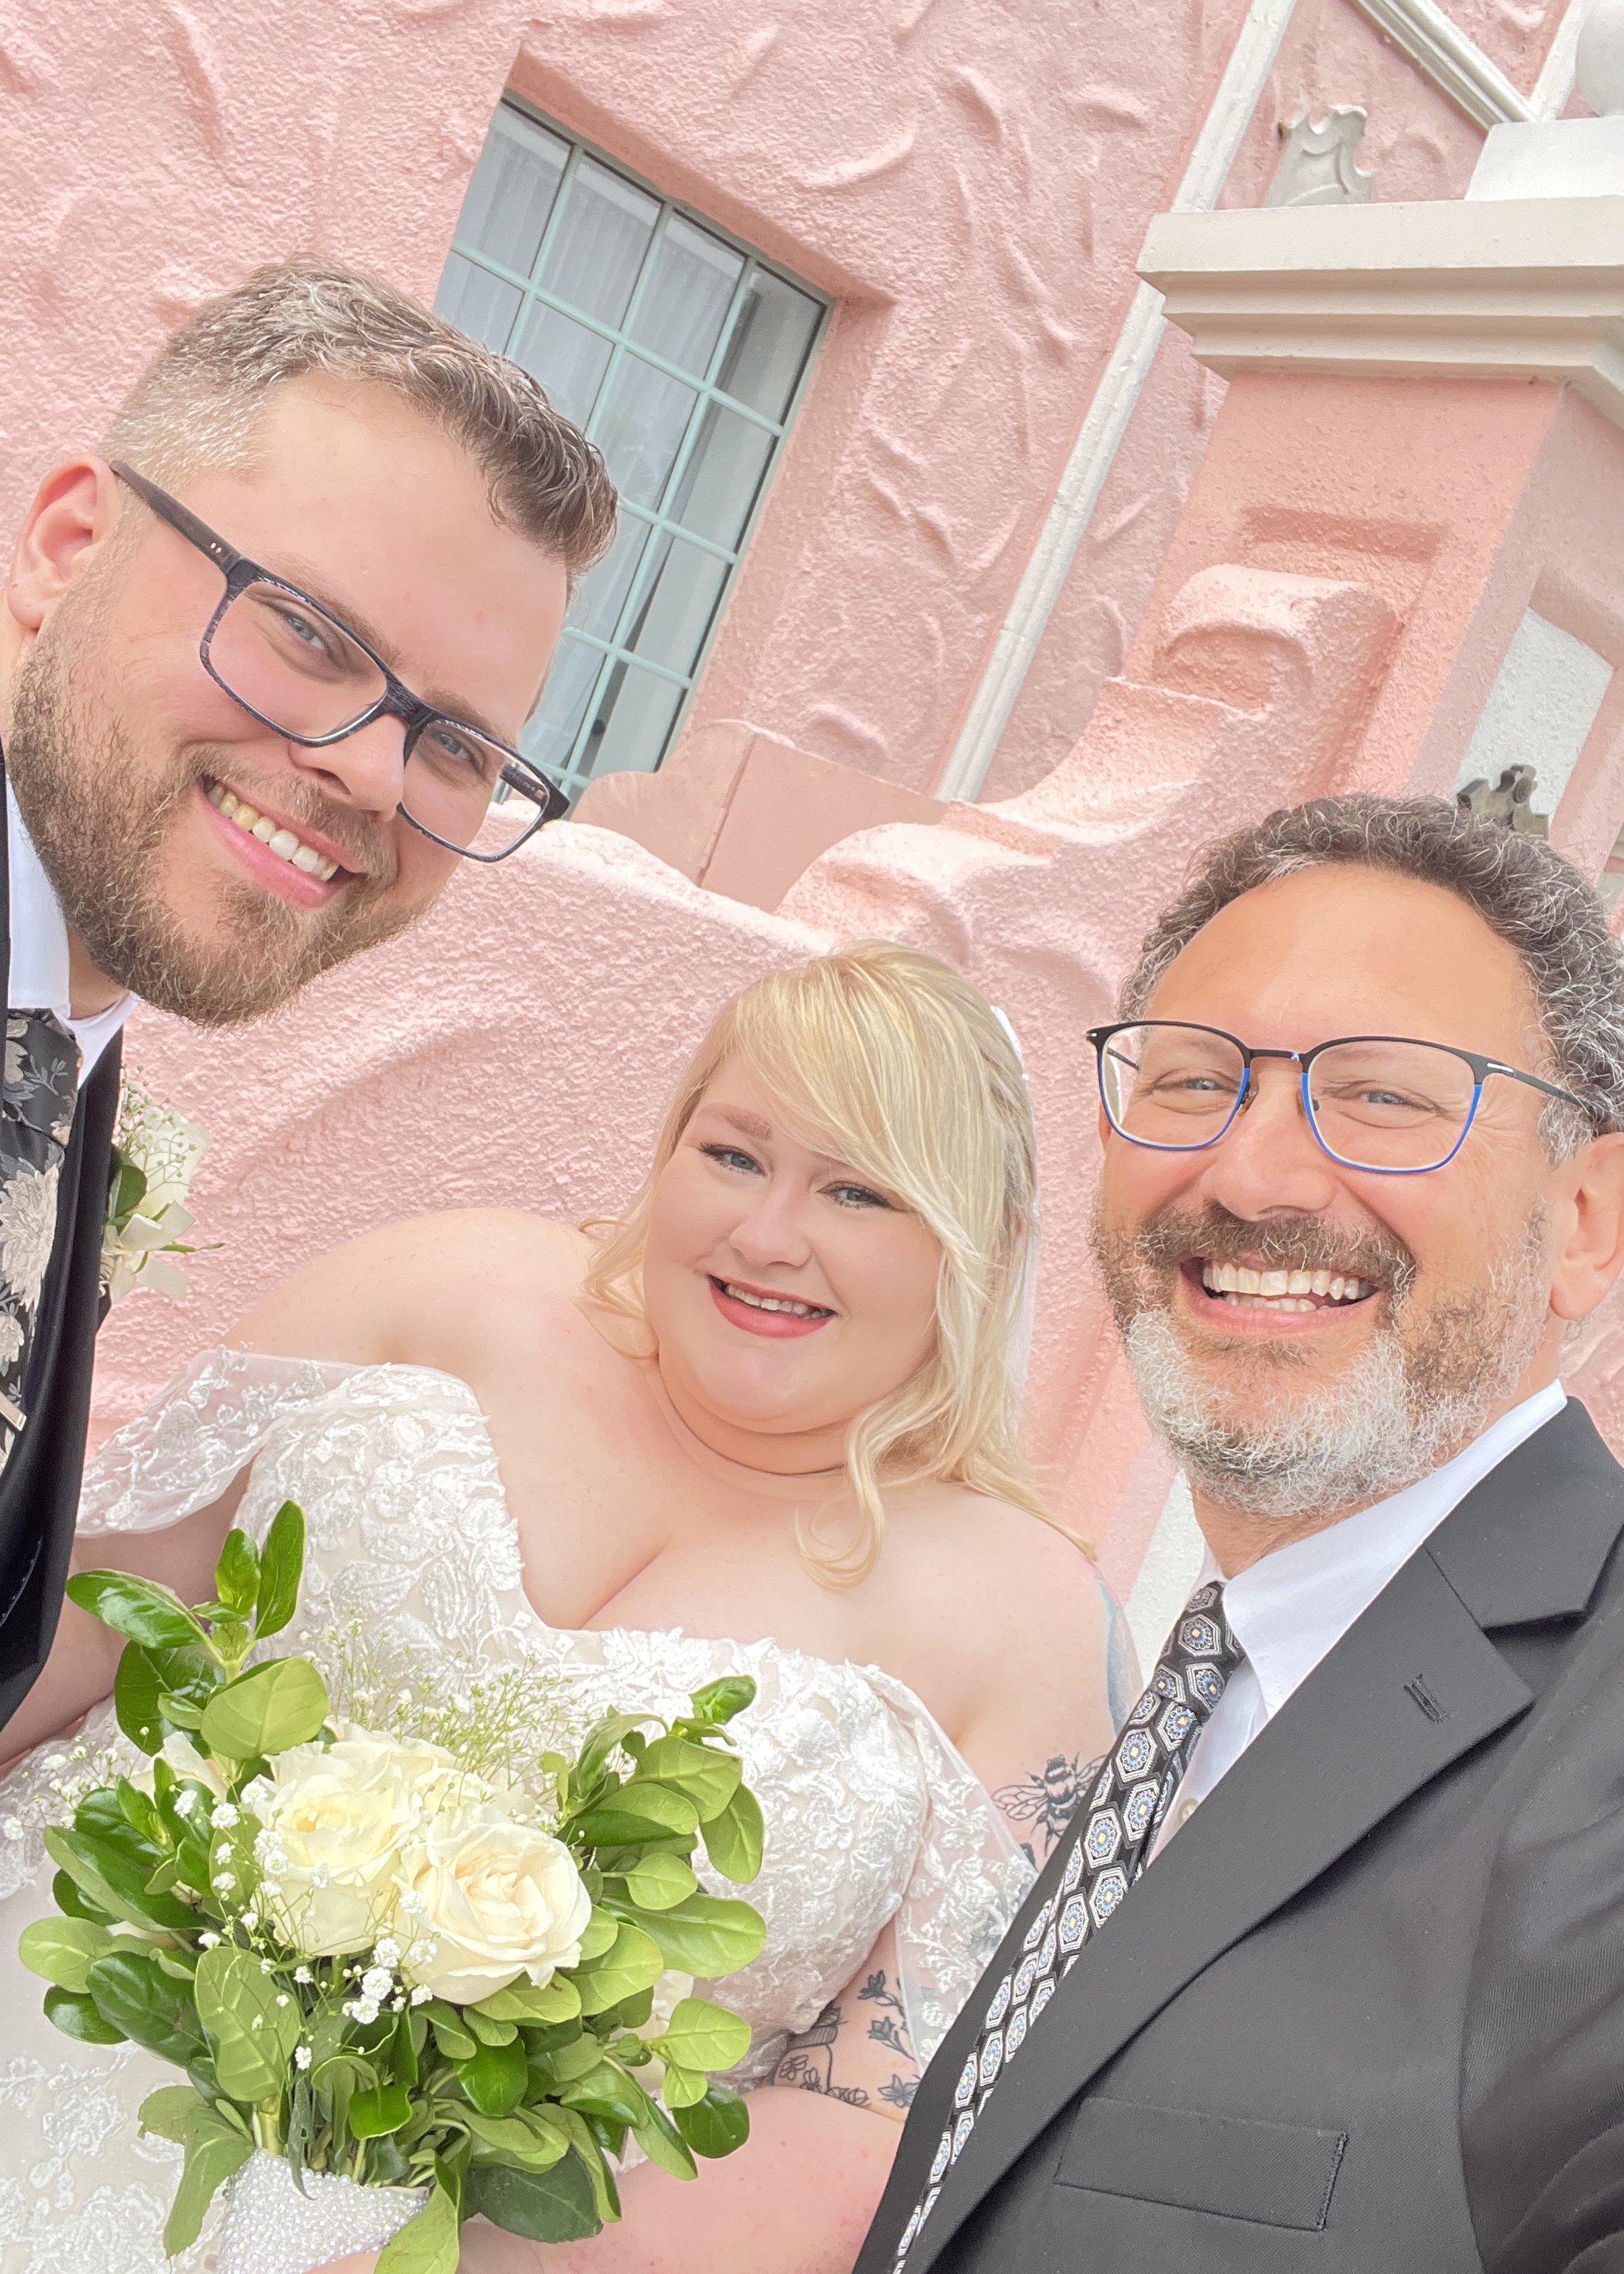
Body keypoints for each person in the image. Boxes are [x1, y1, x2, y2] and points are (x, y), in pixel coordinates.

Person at [0, 942, 1126, 2274]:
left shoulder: (1027, 1621)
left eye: (860, 1192)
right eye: (731, 1154)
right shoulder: (443, 1291)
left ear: (977, 1247)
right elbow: (76, 1622)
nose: (766, 1236)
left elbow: (881, 2115)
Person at [859, 794, 1624, 2274]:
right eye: (1192, 1079)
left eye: (1384, 1096)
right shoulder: (1215, 1676)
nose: (1250, 1177)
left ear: (1585, 1218)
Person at [0, 258, 616, 1732]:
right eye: (311, 635)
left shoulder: (68, 1056)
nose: (371, 771)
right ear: (67, 542)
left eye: (460, 745)